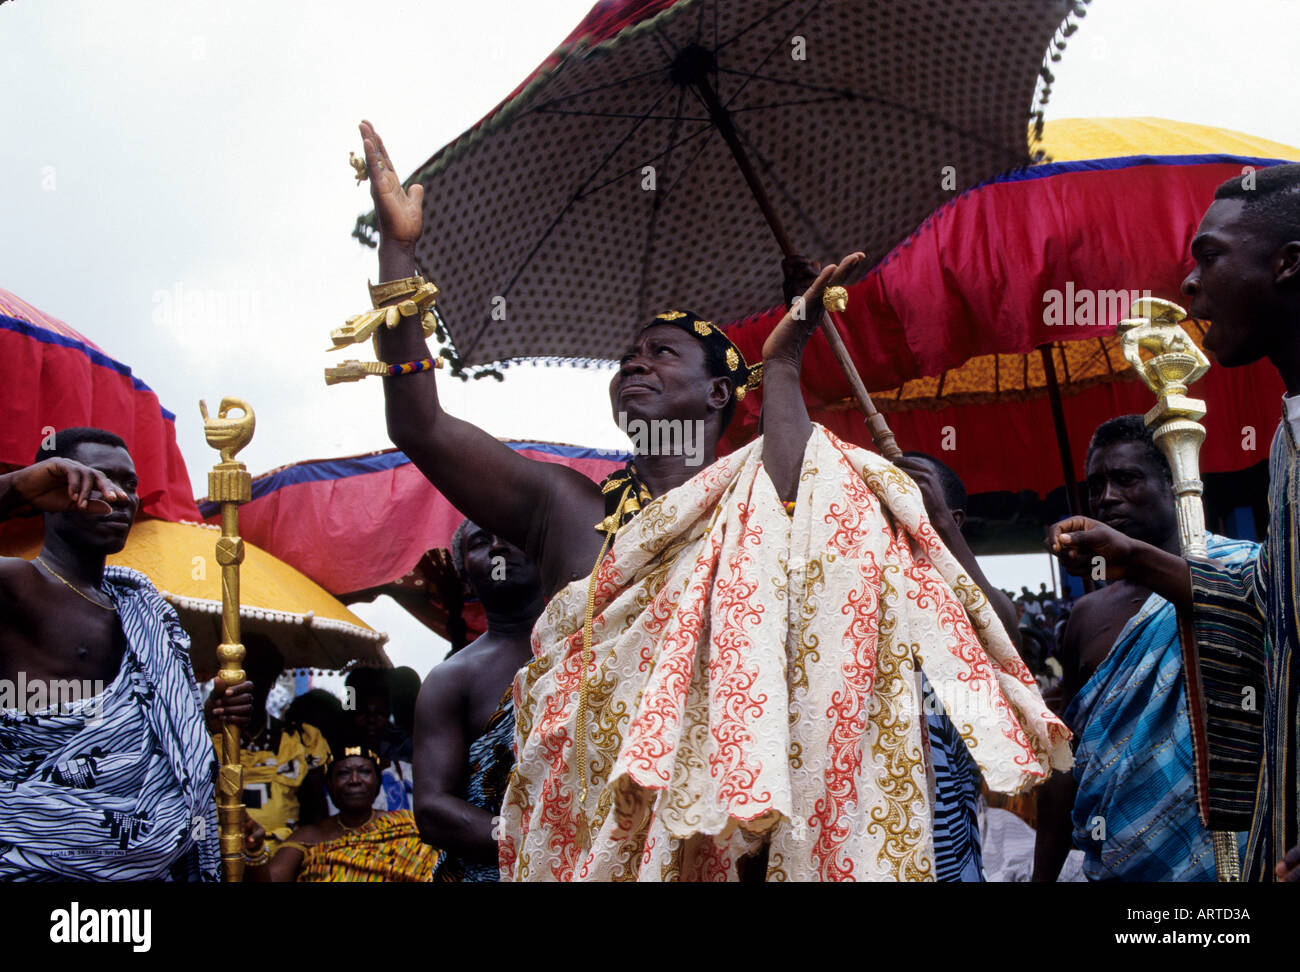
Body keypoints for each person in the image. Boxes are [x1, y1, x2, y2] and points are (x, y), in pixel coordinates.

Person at [356, 121, 1068, 881]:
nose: (636, 362)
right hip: (589, 840)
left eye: (662, 353)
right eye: (630, 355)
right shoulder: (561, 506)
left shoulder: (763, 499)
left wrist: (787, 360)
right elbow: (420, 424)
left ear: (719, 392)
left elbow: (804, 497)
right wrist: (398, 253)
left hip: (735, 841)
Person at [1050, 163, 1300, 882]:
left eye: (1209, 256)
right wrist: (1132, 555)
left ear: (1288, 263)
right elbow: (1265, 604)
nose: (1188, 286)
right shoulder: (1286, 444)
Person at [0, 427, 253, 880]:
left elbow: (154, 730)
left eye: (130, 485)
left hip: (153, 870)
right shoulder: (19, 586)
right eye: (97, 480)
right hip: (38, 859)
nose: (120, 497)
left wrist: (200, 722)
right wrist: (17, 487)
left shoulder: (142, 606)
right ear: (51, 487)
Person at [1035, 416, 1256, 881]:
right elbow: (1066, 756)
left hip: (1240, 857)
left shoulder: (1243, 572)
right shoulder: (1088, 615)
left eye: (1127, 479)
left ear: (1174, 483)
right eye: (1096, 485)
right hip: (1121, 862)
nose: (1107, 497)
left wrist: (1134, 558)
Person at [895, 451, 1024, 881]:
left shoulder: (955, 594)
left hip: (948, 841)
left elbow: (1007, 639)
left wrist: (940, 529)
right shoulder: (856, 579)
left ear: (955, 519)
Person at [413, 519, 545, 881]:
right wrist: (533, 839)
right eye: (481, 541)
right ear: (466, 577)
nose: (499, 547)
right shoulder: (450, 680)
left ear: (544, 552)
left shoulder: (595, 650)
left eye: (512, 533)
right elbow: (432, 810)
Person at [252, 741, 437, 882]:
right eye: (343, 773)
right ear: (329, 785)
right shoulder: (308, 836)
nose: (354, 780)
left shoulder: (407, 826)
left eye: (364, 771)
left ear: (378, 782)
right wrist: (254, 849)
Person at [215, 634, 329, 854]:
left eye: (260, 674)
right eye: (242, 674)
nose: (249, 685)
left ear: (273, 680)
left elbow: (316, 816)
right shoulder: (205, 740)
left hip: (285, 859)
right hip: (219, 858)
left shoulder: (302, 740)